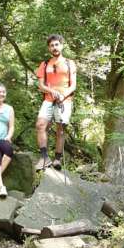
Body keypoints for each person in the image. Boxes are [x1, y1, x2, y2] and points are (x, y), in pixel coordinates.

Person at [35, 34, 76, 171]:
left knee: (61, 129)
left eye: (56, 44)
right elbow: (40, 85)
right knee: (41, 125)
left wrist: (62, 95)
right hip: (48, 99)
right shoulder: (44, 64)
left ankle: (57, 159)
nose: (54, 47)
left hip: (65, 100)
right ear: (49, 48)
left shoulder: (70, 64)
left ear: (62, 45)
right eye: (52, 45)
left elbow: (73, 85)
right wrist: (51, 91)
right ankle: (44, 157)